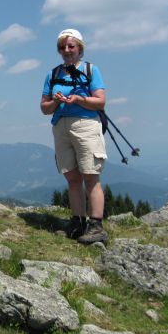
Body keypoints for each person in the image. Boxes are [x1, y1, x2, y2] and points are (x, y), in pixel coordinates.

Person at [40, 29, 108, 244]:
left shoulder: (90, 70)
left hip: (86, 125)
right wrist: (58, 101)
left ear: (80, 48)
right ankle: (77, 221)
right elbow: (44, 108)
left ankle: (96, 225)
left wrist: (78, 99)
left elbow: (100, 101)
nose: (67, 50)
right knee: (71, 176)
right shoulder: (53, 74)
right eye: (63, 47)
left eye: (71, 46)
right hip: (61, 126)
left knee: (90, 175)